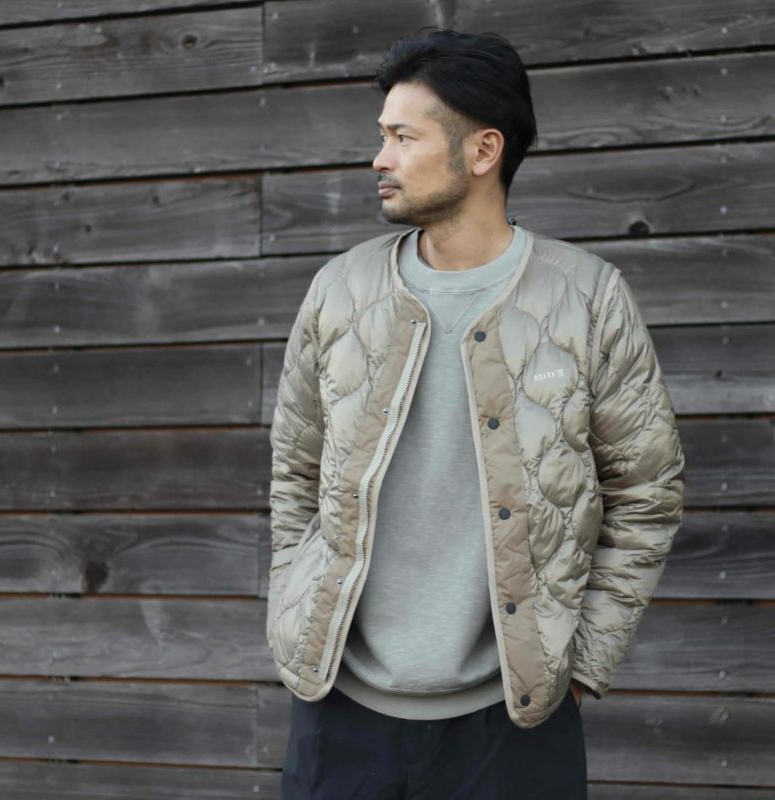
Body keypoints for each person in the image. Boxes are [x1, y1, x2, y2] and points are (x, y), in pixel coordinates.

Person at [267, 27, 686, 800]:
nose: (380, 159)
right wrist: (298, 603)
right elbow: (295, 471)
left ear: (484, 150)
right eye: (382, 136)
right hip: (339, 719)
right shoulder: (339, 292)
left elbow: (647, 493)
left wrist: (580, 666)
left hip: (512, 727)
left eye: (403, 137)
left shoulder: (587, 299)